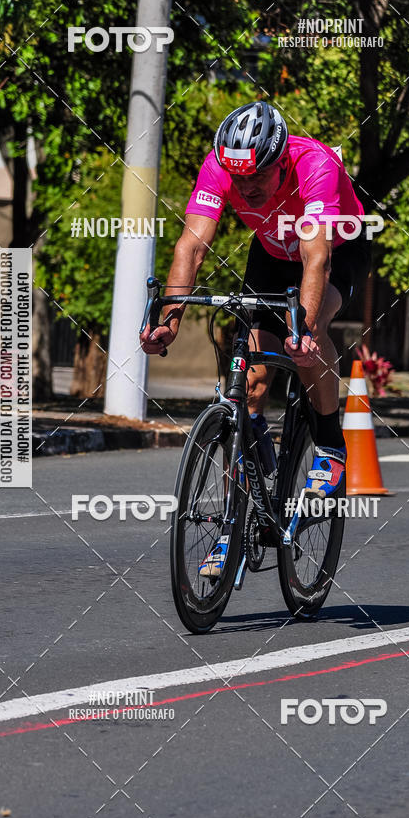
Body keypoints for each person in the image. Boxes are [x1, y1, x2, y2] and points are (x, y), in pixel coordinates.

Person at [140, 101, 371, 578]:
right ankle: (232, 529)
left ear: (281, 160)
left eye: (257, 178)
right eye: (237, 178)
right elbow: (192, 246)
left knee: (308, 333)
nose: (245, 188)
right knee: (249, 387)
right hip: (270, 253)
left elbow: (316, 258)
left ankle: (330, 446)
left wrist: (302, 329)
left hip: (334, 250)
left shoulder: (316, 165)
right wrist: (170, 320)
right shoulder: (220, 165)